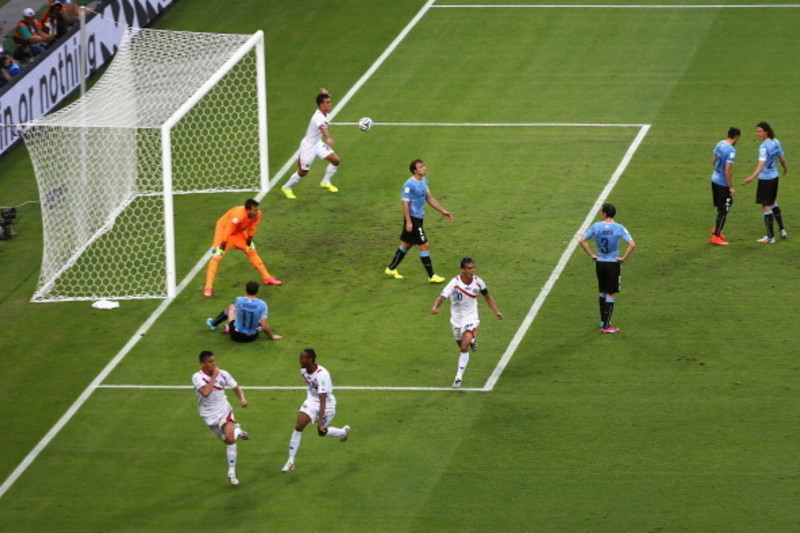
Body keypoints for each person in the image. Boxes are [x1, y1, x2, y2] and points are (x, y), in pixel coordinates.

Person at [431, 257, 503, 388]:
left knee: (464, 347)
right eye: (469, 268)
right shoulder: (455, 282)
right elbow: (442, 296)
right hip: (456, 319)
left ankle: (458, 376)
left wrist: (497, 312)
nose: (472, 270)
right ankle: (472, 340)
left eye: (473, 268)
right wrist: (435, 307)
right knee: (461, 345)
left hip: (471, 317)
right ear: (462, 270)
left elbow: (487, 297)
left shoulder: (478, 282)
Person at [281, 348, 350, 473]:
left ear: (310, 360)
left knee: (321, 432)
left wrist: (320, 420)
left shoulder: (322, 375)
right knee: (299, 425)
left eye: (302, 358)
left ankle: (342, 431)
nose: (299, 360)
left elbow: (323, 398)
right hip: (312, 401)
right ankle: (291, 461)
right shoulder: (303, 371)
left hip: (327, 404)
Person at [384, 159, 453, 283]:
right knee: (424, 245)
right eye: (420, 167)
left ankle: (391, 268)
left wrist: (442, 211)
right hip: (413, 219)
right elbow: (405, 204)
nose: (424, 168)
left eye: (424, 166)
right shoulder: (409, 185)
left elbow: (429, 198)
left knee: (407, 244)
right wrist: (409, 222)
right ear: (415, 170)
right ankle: (431, 276)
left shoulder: (424, 181)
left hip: (419, 218)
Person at [192, 350, 250, 486]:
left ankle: (231, 474)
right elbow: (205, 392)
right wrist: (214, 376)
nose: (213, 364)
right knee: (227, 439)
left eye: (214, 361)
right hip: (208, 415)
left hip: (224, 411)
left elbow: (235, 387)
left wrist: (242, 399)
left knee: (230, 440)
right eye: (210, 362)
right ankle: (238, 430)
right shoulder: (197, 377)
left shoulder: (223, 374)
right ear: (202, 363)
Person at [203, 198, 282, 297]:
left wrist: (249, 239)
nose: (257, 211)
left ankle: (267, 277)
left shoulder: (257, 214)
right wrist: (223, 243)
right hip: (224, 231)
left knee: (251, 251)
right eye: (255, 210)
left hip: (238, 231)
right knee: (216, 257)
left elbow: (253, 227)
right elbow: (229, 228)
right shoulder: (238, 215)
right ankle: (208, 287)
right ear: (248, 210)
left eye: (257, 209)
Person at [578, 203, 636, 334]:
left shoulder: (596, 226)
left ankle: (603, 321)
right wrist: (623, 258)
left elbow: (582, 241)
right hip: (612, 263)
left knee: (602, 291)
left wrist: (592, 255)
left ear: (604, 213)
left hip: (600, 262)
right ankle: (606, 326)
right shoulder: (619, 228)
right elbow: (632, 245)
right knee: (610, 293)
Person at [281, 88, 341, 199]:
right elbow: (322, 128)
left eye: (329, 101)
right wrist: (328, 138)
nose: (330, 104)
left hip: (317, 143)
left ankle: (326, 181)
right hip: (308, 147)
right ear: (321, 105)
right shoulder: (317, 117)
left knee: (336, 160)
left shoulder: (325, 113)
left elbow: (323, 103)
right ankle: (287, 187)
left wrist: (325, 94)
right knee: (303, 172)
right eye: (327, 102)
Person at [740, 121, 789, 244]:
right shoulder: (776, 142)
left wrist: (751, 177)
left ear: (766, 131)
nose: (758, 134)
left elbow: (761, 164)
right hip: (775, 177)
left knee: (766, 205)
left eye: (760, 131)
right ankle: (782, 230)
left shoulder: (763, 147)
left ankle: (770, 237)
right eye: (757, 131)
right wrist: (785, 168)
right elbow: (782, 159)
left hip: (766, 180)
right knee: (773, 202)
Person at [206, 280, 282, 341]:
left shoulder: (239, 300)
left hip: (235, 334)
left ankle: (214, 324)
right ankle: (229, 328)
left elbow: (238, 312)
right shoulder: (262, 304)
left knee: (231, 307)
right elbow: (264, 327)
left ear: (245, 290)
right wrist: (272, 336)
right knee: (259, 319)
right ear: (257, 291)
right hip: (251, 337)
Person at [709, 127, 740, 246]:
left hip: (714, 179)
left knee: (721, 207)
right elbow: (728, 171)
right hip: (722, 183)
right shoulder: (731, 151)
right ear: (736, 137)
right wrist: (731, 187)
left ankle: (717, 229)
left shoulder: (719, 143)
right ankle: (716, 236)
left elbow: (713, 160)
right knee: (725, 209)